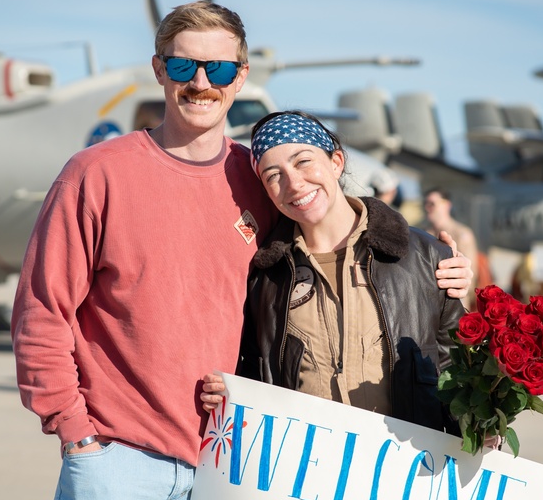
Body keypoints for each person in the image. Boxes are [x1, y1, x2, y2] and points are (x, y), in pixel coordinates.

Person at [11, 2, 474, 500]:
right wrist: (75, 432)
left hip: (228, 465)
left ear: (241, 75)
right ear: (158, 69)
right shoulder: (97, 173)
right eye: (184, 65)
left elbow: (337, 223)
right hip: (114, 459)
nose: (201, 83)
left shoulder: (257, 176)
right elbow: (42, 309)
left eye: (219, 69)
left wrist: (433, 258)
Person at [200, 111, 470, 436]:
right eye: (274, 176)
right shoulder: (265, 278)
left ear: (336, 162)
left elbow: (456, 370)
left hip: (405, 472)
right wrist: (230, 393)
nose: (294, 183)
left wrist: (481, 433)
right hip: (305, 470)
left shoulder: (425, 257)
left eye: (303, 162)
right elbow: (257, 372)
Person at [423, 186, 488, 309]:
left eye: (432, 204)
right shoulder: (423, 233)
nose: (427, 208)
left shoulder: (462, 234)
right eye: (425, 203)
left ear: (447, 205)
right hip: (428, 305)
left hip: (455, 304)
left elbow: (470, 275)